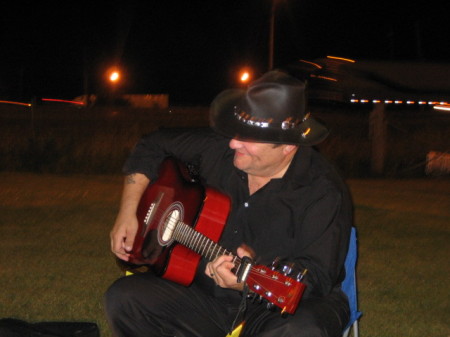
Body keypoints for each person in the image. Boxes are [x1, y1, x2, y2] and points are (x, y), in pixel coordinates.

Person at [104, 70, 353, 337]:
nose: (234, 142)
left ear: (287, 146)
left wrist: (249, 280)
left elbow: (315, 276)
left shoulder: (322, 191)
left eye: (247, 138)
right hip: (204, 296)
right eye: (236, 132)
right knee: (125, 298)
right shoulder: (220, 149)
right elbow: (150, 146)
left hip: (276, 306)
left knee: (300, 330)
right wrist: (128, 212)